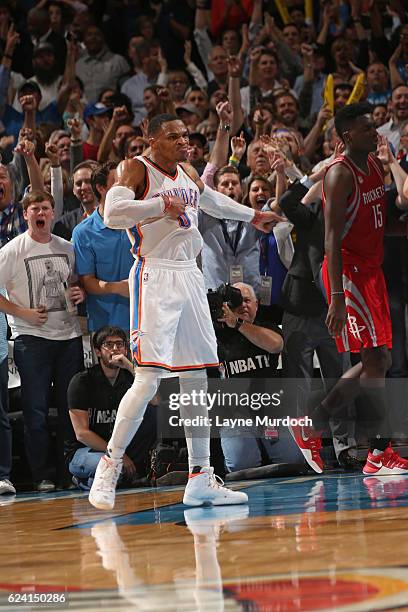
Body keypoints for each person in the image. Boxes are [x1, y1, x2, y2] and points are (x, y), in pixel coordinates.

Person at [88, 113, 282, 510]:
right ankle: (107, 465)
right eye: (173, 137)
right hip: (155, 276)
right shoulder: (135, 168)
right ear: (150, 137)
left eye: (186, 136)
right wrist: (160, 205)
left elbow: (208, 199)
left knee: (196, 377)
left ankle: (200, 476)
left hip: (190, 277)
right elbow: (112, 214)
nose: (184, 142)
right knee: (147, 378)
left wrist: (253, 215)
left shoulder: (186, 169)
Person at [290, 102, 408, 476]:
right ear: (345, 137)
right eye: (365, 128)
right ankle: (377, 451)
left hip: (369, 270)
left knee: (380, 361)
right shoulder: (339, 175)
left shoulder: (373, 165)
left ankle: (319, 424)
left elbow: (378, 221)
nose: (374, 132)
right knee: (376, 361)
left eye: (374, 125)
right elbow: (330, 238)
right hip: (347, 273)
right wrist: (338, 298)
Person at [0, 190, 85, 491]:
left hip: (68, 337)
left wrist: (80, 293)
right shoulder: (12, 251)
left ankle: (69, 472)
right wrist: (22, 312)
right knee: (35, 410)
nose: (41, 212)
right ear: (25, 215)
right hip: (31, 339)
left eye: (46, 208)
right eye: (35, 208)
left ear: (52, 213)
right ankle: (42, 475)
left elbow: (77, 283)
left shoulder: (67, 247)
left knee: (69, 409)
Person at [214, 282, 304, 472]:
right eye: (237, 301)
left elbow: (276, 345)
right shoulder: (218, 335)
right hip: (237, 415)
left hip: (271, 414)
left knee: (293, 462)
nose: (243, 305)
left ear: (257, 304)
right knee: (240, 466)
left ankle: (263, 450)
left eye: (248, 300)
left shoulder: (268, 328)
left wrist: (238, 324)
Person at [67, 326, 157, 489]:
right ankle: (81, 479)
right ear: (98, 351)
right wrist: (119, 455)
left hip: (124, 451)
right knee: (115, 469)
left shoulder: (130, 378)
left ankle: (110, 480)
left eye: (119, 344)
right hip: (86, 451)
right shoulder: (82, 381)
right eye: (108, 344)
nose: (115, 349)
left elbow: (157, 400)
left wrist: (130, 366)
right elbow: (82, 434)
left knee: (152, 412)